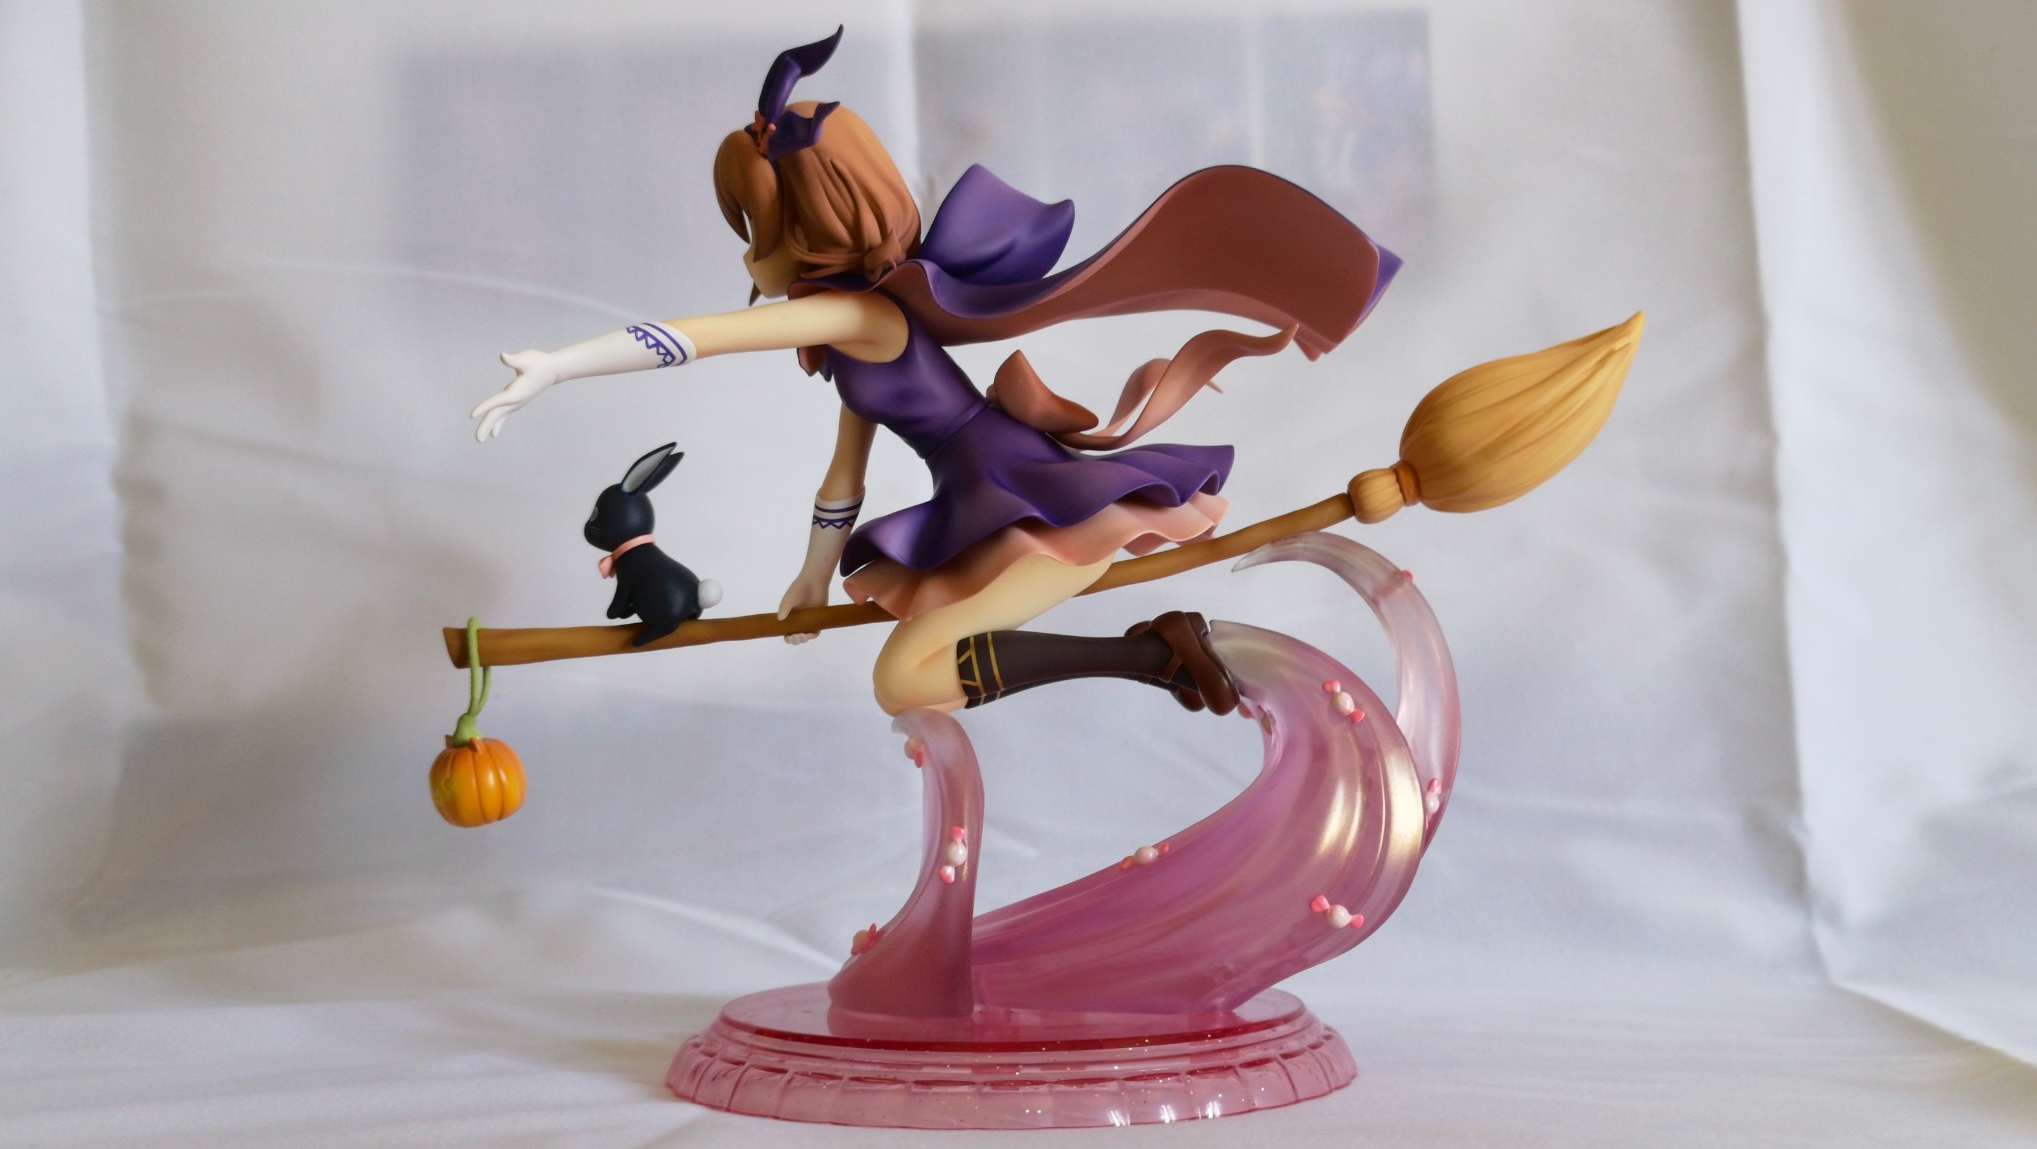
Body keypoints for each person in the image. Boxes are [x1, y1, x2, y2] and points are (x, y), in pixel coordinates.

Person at [469, 28, 1398, 718]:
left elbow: (698, 339)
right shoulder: (857, 331)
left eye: (753, 229)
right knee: (910, 678)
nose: (750, 255)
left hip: (1022, 501)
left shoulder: (855, 316)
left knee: (903, 678)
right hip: (985, 497)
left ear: (803, 226)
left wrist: (561, 365)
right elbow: (844, 478)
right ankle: (1156, 655)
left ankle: (1155, 656)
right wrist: (811, 577)